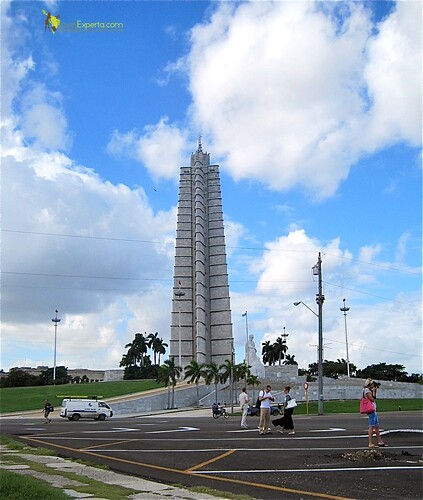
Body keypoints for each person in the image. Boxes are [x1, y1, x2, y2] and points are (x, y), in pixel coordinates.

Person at [363, 378, 386, 448]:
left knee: (376, 426)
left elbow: (374, 397)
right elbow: (372, 399)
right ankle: (370, 443)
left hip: (373, 410)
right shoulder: (367, 390)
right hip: (371, 410)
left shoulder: (368, 390)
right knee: (371, 426)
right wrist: (373, 391)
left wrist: (374, 391)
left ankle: (380, 441)